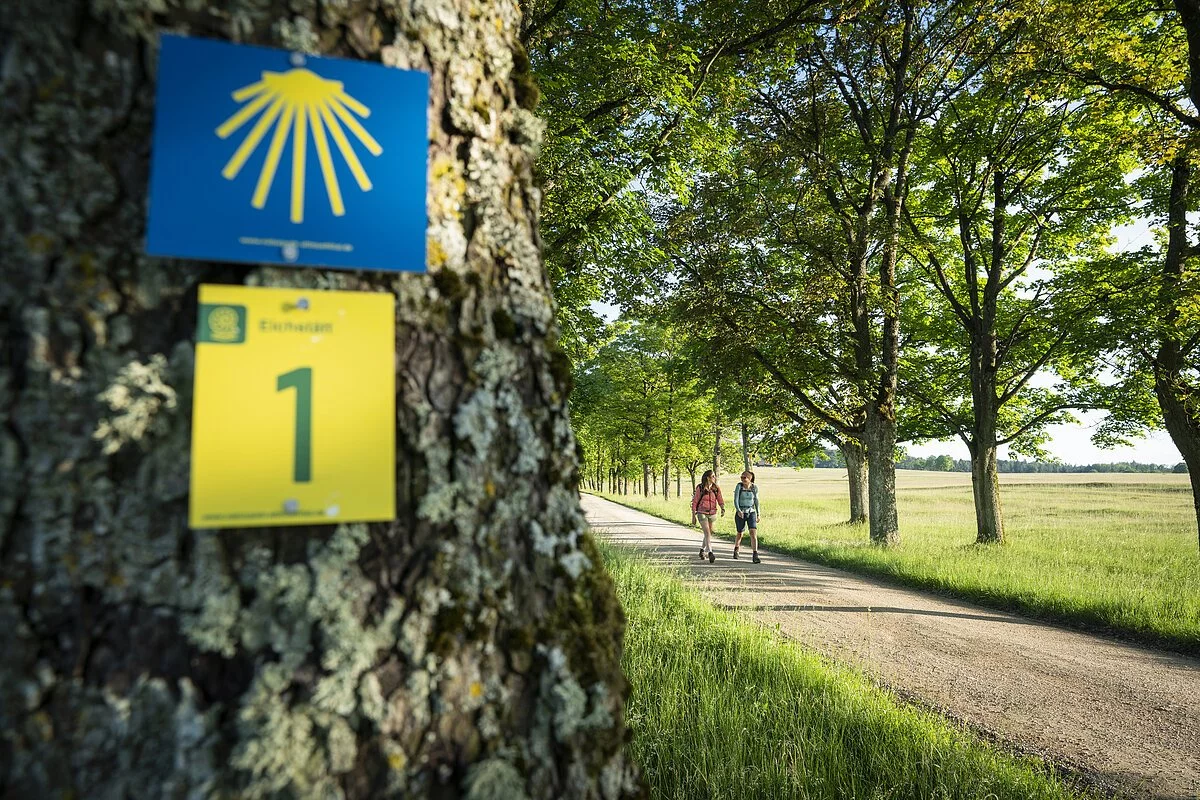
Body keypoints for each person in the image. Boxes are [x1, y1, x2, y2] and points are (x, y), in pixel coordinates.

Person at [690, 470, 724, 563]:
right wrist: (693, 515)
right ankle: (710, 552)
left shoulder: (716, 488)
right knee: (707, 532)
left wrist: (722, 508)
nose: (714, 478)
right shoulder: (700, 488)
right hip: (702, 512)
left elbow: (720, 499)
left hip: (712, 512)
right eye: (713, 476)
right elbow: (695, 502)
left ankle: (702, 549)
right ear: (708, 477)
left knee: (709, 532)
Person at [733, 470, 762, 563]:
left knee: (753, 533)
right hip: (741, 511)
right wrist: (738, 510)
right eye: (741, 477)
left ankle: (755, 554)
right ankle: (736, 549)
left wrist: (758, 514)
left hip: (751, 512)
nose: (743, 479)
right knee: (740, 533)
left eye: (745, 477)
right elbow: (736, 499)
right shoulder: (739, 486)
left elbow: (756, 501)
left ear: (750, 478)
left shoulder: (754, 488)